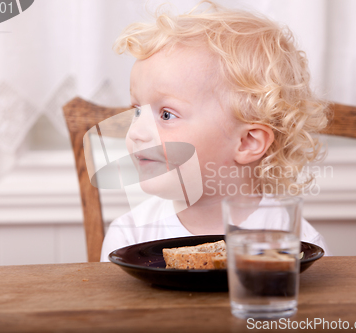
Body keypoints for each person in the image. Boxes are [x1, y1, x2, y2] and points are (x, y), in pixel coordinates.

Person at [100, 1, 330, 261]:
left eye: (166, 114)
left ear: (247, 142)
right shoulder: (128, 237)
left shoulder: (296, 243)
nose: (136, 133)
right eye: (137, 111)